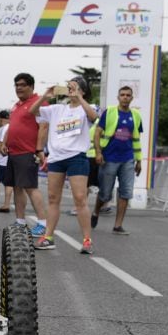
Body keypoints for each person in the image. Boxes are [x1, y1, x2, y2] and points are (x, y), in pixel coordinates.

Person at [30, 77, 98, 253]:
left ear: (82, 90)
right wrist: (46, 94)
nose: (70, 90)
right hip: (56, 158)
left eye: (74, 87)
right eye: (68, 87)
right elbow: (32, 111)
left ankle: (87, 240)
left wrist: (80, 98)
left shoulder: (86, 108)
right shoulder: (57, 109)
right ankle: (49, 236)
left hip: (77, 157)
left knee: (80, 199)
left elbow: (94, 117)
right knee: (53, 199)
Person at [91, 86, 143, 235]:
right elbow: (97, 133)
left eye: (128, 95)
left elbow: (136, 139)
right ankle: (96, 211)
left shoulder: (136, 115)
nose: (125, 97)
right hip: (109, 158)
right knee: (105, 194)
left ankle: (117, 225)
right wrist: (98, 152)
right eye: (122, 95)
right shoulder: (110, 112)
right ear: (118, 97)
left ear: (132, 98)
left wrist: (139, 160)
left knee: (125, 193)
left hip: (127, 159)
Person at [4, 73, 48, 237]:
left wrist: (38, 149)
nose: (19, 88)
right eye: (16, 85)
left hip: (27, 152)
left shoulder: (39, 103)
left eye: (22, 85)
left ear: (31, 86)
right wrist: (4, 143)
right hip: (13, 153)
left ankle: (42, 223)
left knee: (31, 188)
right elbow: (12, 126)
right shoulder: (16, 105)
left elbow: (44, 127)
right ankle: (20, 221)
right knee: (17, 188)